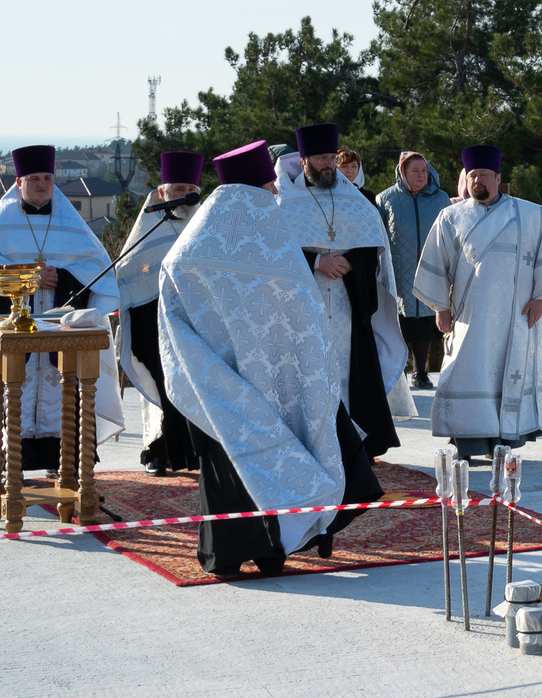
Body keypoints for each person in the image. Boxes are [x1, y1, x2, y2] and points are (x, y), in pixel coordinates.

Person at [159, 139, 380, 577]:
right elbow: (307, 315)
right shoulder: (272, 241)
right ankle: (271, 552)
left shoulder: (187, 250)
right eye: (270, 188)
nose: (276, 195)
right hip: (282, 376)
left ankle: (228, 553)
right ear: (254, 192)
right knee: (277, 453)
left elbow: (173, 315)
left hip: (220, 381)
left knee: (227, 463)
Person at [0, 145, 122, 484]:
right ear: (19, 182)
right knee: (16, 391)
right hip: (18, 330)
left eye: (47, 178)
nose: (43, 184)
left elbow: (97, 275)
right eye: (34, 179)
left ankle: (65, 463)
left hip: (60, 325)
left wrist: (59, 278)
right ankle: (13, 465)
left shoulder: (71, 224)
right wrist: (29, 279)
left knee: (66, 391)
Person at [413, 144, 542, 464]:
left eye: (484, 175)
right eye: (472, 175)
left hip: (516, 315)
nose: (478, 181)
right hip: (471, 315)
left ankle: (504, 441)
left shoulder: (528, 213)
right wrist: (441, 308)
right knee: (464, 373)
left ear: (498, 178)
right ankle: (466, 443)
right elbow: (435, 265)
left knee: (503, 378)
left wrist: (540, 297)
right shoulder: (450, 217)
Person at [275, 123, 409, 458]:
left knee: (347, 371)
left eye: (331, 158)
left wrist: (351, 264)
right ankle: (310, 442)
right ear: (303, 159)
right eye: (320, 158)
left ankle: (352, 444)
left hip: (348, 304)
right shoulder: (283, 205)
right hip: (303, 306)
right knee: (308, 371)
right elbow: (272, 254)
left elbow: (371, 250)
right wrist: (317, 261)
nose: (327, 165)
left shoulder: (357, 202)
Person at [112, 152, 204, 474]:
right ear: (162, 192)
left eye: (190, 188)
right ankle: (160, 450)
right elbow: (129, 275)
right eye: (177, 188)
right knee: (166, 385)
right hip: (158, 325)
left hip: (200, 324)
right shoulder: (149, 227)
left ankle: (201, 452)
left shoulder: (205, 225)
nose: (184, 196)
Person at [378, 150, 450, 390]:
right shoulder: (385, 199)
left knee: (425, 323)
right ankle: (397, 376)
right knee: (398, 324)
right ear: (402, 173)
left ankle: (421, 372)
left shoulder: (441, 199)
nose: (421, 175)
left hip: (431, 269)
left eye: (424, 170)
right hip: (398, 270)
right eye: (415, 171)